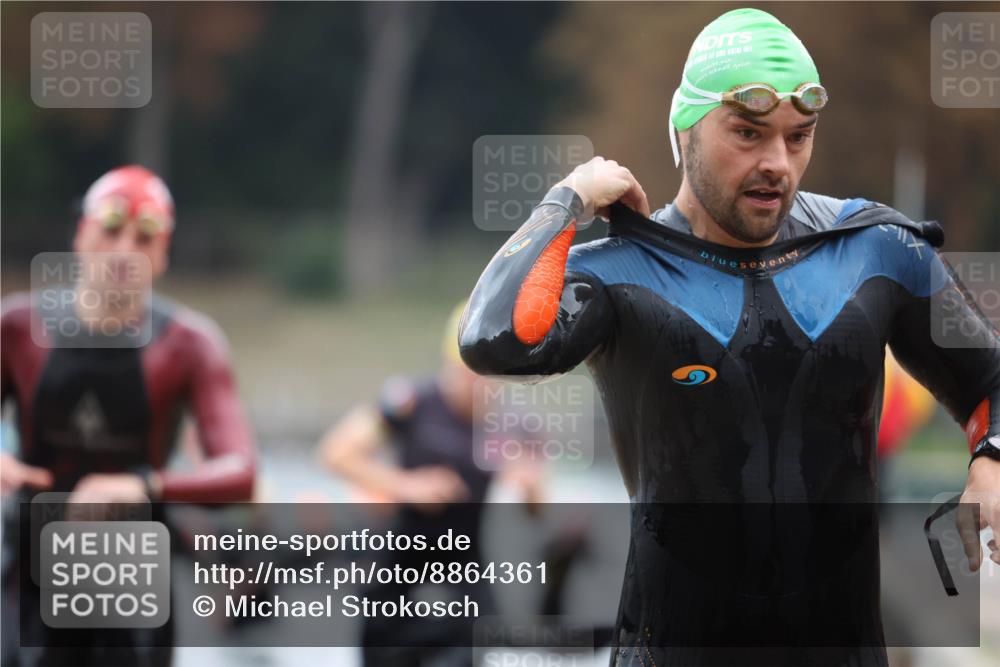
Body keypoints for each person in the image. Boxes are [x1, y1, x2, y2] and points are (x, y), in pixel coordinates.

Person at [459, 8, 1000, 667]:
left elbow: (989, 381)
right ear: (684, 128)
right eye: (747, 132)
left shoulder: (874, 251)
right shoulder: (625, 273)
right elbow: (492, 337)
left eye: (798, 137)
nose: (776, 162)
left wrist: (991, 459)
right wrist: (567, 201)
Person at [1, 165, 257, 666]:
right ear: (81, 234)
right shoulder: (15, 326)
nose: (124, 253)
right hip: (28, 557)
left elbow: (241, 472)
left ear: (162, 255)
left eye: (145, 238)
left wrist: (145, 484)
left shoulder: (189, 345)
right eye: (111, 230)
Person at [318, 303, 542, 667]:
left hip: (465, 562)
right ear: (451, 365)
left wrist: (528, 484)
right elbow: (335, 453)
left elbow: (538, 510)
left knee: (477, 640)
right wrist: (407, 486)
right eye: (470, 373)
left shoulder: (515, 424)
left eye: (492, 377)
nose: (480, 386)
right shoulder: (412, 402)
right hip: (400, 554)